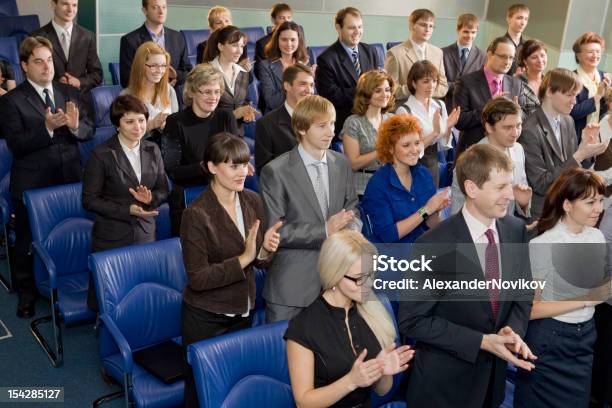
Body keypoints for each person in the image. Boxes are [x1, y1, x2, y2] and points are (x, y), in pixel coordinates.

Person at [399, 143, 536, 408]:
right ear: (471, 189)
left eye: (509, 185)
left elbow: (522, 292)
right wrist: (482, 341)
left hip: (491, 386)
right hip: (444, 389)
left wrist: (511, 331)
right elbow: (412, 321)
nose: (510, 195)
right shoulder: (433, 245)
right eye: (500, 187)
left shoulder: (515, 229)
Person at [180, 132, 283, 408]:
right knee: (200, 393)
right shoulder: (196, 214)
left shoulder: (252, 200)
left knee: (236, 389)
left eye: (245, 164)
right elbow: (198, 278)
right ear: (212, 167)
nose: (243, 172)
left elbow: (258, 261)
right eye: (233, 166)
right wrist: (246, 257)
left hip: (242, 310)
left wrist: (264, 251)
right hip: (207, 317)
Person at [0, 36, 93, 318]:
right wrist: (48, 129)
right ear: (25, 66)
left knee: (73, 236)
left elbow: (88, 129)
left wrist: (76, 127)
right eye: (38, 62)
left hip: (70, 178)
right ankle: (26, 294)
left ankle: (68, 284)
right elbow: (16, 144)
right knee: (27, 240)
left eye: (49, 60)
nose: (46, 67)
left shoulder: (69, 92)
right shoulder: (11, 101)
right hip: (33, 182)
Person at [514, 168, 612, 408]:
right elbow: (531, 309)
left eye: (600, 200)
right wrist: (587, 299)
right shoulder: (543, 244)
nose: (599, 208)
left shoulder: (596, 237)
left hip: (586, 338)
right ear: (567, 205)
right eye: (590, 202)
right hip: (549, 340)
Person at [285, 230, 414, 408]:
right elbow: (303, 402)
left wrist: (382, 372)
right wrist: (351, 381)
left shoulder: (371, 313)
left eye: (371, 275)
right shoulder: (303, 327)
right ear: (335, 275)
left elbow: (383, 390)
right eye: (359, 278)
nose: (368, 284)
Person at [260, 95, 360, 323]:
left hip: (337, 282)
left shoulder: (342, 163)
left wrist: (351, 230)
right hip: (292, 287)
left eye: (333, 124)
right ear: (302, 128)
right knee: (283, 358)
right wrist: (325, 230)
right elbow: (276, 231)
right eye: (322, 126)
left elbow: (352, 208)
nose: (331, 131)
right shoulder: (276, 171)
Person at [82, 94, 168, 309]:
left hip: (146, 233)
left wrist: (151, 199)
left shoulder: (153, 149)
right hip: (113, 235)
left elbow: (163, 188)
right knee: (112, 300)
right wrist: (128, 209)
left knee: (142, 296)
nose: (138, 127)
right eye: (129, 121)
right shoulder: (101, 154)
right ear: (117, 125)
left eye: (141, 120)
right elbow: (89, 200)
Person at [161, 63, 239, 236]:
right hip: (189, 197)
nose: (213, 97)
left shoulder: (226, 117)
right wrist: (205, 167)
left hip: (223, 193)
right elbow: (172, 171)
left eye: (217, 91)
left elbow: (236, 155)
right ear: (191, 92)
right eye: (207, 92)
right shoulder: (175, 122)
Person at [520, 68, 608, 219]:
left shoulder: (567, 120)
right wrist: (579, 155)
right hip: (543, 212)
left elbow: (575, 168)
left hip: (566, 210)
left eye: (576, 95)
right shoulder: (530, 130)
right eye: (569, 95)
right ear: (549, 92)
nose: (574, 101)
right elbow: (541, 184)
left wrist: (586, 148)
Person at [361, 115, 450, 244]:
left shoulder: (423, 175)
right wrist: (426, 210)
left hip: (421, 247)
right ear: (390, 149)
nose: (415, 150)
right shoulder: (378, 184)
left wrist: (436, 210)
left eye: (417, 143)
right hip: (392, 256)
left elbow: (429, 224)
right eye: (406, 145)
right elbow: (388, 236)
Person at [451, 97, 531, 219]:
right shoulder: (470, 161)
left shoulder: (518, 149)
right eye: (507, 127)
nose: (515, 133)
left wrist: (523, 204)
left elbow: (518, 200)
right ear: (489, 127)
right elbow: (457, 215)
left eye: (518, 125)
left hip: (506, 229)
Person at [453, 36, 525, 158]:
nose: (507, 61)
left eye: (511, 58)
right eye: (503, 56)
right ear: (490, 54)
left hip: (505, 155)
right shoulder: (466, 82)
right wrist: (488, 106)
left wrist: (517, 113)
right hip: (473, 154)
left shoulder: (517, 84)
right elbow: (460, 121)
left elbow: (524, 117)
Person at [30, 0, 103, 119]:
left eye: (74, 5)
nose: (70, 9)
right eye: (65, 4)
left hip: (81, 109)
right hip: (49, 107)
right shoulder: (36, 37)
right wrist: (56, 85)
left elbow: (97, 75)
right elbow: (31, 76)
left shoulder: (87, 36)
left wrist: (79, 82)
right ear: (53, 5)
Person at [315, 7, 380, 137]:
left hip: (373, 118)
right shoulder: (326, 59)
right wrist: (366, 89)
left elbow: (376, 86)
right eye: (351, 28)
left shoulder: (371, 51)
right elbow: (331, 96)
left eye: (360, 27)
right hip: (346, 121)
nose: (357, 32)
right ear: (338, 28)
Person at [395, 60, 460, 186]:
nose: (431, 86)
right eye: (425, 81)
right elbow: (408, 150)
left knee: (432, 203)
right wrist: (435, 132)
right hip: (412, 167)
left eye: (434, 81)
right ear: (414, 83)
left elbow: (443, 145)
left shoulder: (439, 105)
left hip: (433, 164)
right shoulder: (404, 110)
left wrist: (448, 127)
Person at [341, 69, 395, 195]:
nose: (384, 94)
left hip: (391, 184)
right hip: (363, 188)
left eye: (387, 90)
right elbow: (353, 164)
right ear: (365, 94)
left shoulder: (392, 119)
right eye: (378, 91)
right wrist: (382, 151)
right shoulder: (353, 122)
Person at [255, 63, 314, 173]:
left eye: (311, 85)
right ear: (287, 86)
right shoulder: (266, 124)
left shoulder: (318, 120)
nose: (309, 90)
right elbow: (264, 171)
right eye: (303, 84)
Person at [119, 0, 192, 88]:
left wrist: (175, 75)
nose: (161, 12)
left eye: (164, 7)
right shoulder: (130, 41)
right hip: (143, 98)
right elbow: (126, 79)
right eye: (155, 7)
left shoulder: (177, 37)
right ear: (144, 10)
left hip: (173, 96)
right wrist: (160, 86)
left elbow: (188, 72)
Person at [202, 25, 257, 137]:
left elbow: (244, 101)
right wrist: (234, 115)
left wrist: (247, 113)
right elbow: (202, 113)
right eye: (234, 45)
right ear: (221, 46)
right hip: (213, 137)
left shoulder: (243, 73)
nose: (239, 51)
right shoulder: (206, 73)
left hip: (237, 136)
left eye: (241, 46)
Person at [385, 8, 448, 105]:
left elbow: (444, 86)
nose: (428, 29)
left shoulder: (438, 52)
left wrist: (427, 91)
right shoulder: (394, 54)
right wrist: (416, 88)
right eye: (423, 25)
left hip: (431, 109)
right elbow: (391, 90)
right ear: (411, 26)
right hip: (406, 110)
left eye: (431, 26)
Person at [122, 41, 178, 142]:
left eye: (163, 66)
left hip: (167, 150)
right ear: (141, 66)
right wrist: (151, 125)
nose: (160, 71)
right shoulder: (126, 96)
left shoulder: (169, 90)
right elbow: (125, 137)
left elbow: (177, 127)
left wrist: (168, 125)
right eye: (154, 66)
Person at [258, 21, 309, 114]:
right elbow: (271, 101)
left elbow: (312, 97)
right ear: (277, 40)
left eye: (293, 40)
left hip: (303, 114)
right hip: (277, 116)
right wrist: (296, 85)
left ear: (299, 41)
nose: (289, 44)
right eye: (284, 40)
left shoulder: (305, 63)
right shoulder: (265, 66)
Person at [442, 13, 487, 112]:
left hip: (470, 109)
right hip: (446, 107)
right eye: (466, 32)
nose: (470, 36)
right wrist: (462, 87)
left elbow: (481, 84)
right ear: (458, 30)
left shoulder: (483, 56)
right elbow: (440, 83)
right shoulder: (443, 53)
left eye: (473, 32)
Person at [570, 32, 611, 140]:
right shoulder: (571, 78)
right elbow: (571, 113)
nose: (595, 55)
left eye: (598, 51)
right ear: (578, 55)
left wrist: (608, 98)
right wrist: (597, 96)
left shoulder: (605, 77)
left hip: (600, 135)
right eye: (590, 52)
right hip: (576, 137)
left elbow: (603, 111)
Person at [196, 6, 249, 70]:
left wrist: (244, 68)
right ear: (211, 27)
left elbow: (249, 78)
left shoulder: (240, 43)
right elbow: (202, 74)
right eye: (219, 23)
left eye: (227, 21)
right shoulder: (203, 46)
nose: (224, 25)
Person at [516, 39, 547, 117]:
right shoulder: (516, 82)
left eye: (542, 55)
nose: (540, 60)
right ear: (525, 61)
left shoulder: (551, 81)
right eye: (534, 57)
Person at [504, 3, 530, 75]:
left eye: (526, 19)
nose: (523, 22)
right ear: (509, 19)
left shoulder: (527, 46)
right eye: (519, 18)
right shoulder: (499, 44)